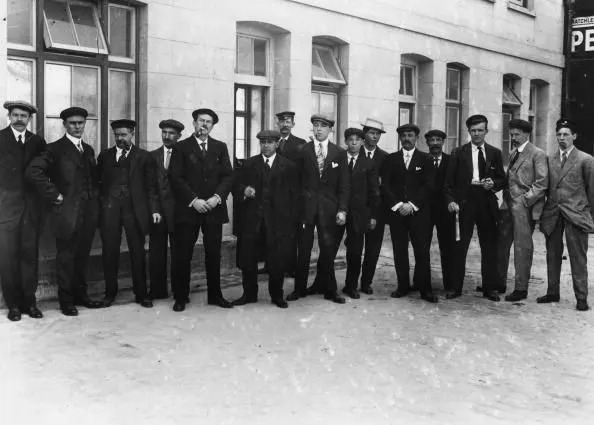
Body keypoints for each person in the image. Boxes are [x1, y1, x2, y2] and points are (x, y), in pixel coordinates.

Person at [26, 107, 103, 316]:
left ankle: (81, 295)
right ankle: (66, 301)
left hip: (88, 214)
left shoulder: (88, 150)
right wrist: (54, 194)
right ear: (65, 125)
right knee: (66, 257)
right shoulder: (55, 149)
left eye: (81, 123)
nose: (77, 127)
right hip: (67, 214)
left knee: (82, 256)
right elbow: (34, 172)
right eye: (73, 123)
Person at [168, 108, 233, 311]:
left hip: (214, 209)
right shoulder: (181, 147)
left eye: (208, 122)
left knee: (213, 254)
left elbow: (228, 176)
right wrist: (193, 200)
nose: (204, 125)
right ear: (194, 123)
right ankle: (181, 297)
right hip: (189, 209)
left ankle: (215, 295)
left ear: (212, 126)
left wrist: (217, 198)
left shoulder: (220, 147)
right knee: (183, 254)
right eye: (200, 121)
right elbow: (175, 177)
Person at [97, 119, 161, 308]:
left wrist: (155, 209)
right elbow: (98, 184)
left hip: (134, 212)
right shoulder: (105, 156)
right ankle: (110, 293)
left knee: (137, 252)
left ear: (132, 134)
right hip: (110, 211)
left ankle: (141, 294)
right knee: (109, 252)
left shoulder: (143, 157)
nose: (120, 138)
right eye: (117, 135)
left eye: (124, 135)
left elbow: (151, 187)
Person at [232, 130, 299, 308]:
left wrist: (290, 223)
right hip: (252, 221)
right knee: (248, 259)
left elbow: (295, 196)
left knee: (276, 260)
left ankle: (277, 295)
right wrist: (244, 190)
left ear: (277, 144)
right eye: (263, 142)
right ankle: (249, 294)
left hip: (278, 223)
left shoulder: (289, 166)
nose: (266, 146)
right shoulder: (249, 164)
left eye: (270, 142)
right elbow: (235, 185)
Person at [287, 113, 350, 304]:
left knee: (328, 249)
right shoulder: (302, 150)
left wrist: (342, 209)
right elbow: (295, 183)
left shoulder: (339, 152)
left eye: (323, 126)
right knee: (304, 249)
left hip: (329, 210)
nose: (318, 129)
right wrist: (296, 208)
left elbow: (344, 185)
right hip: (306, 209)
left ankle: (330, 290)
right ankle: (299, 289)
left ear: (330, 129)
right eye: (315, 125)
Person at [444, 114, 506, 302]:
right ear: (468, 132)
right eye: (473, 130)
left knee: (489, 246)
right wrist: (451, 201)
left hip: (486, 201)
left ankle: (490, 288)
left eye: (480, 130)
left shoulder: (494, 152)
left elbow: (502, 179)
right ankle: (455, 287)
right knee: (459, 245)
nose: (477, 134)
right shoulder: (458, 152)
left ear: (486, 131)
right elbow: (447, 183)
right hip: (465, 202)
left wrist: (493, 184)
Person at [538, 119, 594, 311]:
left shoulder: (586, 160)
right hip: (553, 213)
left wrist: (589, 217)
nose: (562, 138)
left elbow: (592, 191)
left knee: (578, 257)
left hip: (576, 213)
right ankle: (552, 292)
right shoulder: (550, 159)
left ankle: (581, 298)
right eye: (559, 134)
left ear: (574, 136)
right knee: (552, 255)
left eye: (566, 134)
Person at [0, 101, 47, 321]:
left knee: (29, 257)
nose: (20, 119)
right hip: (6, 211)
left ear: (30, 119)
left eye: (24, 116)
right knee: (8, 258)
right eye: (16, 115)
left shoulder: (37, 142)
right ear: (9, 116)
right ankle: (13, 305)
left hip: (30, 211)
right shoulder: (0, 139)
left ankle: (30, 302)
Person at [380, 123, 438, 303]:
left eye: (410, 135)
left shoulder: (426, 159)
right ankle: (402, 286)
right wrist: (398, 205)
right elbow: (385, 186)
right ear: (400, 138)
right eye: (403, 135)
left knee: (422, 252)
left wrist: (412, 205)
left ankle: (425, 289)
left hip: (418, 215)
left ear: (416, 138)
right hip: (398, 214)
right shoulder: (391, 159)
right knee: (400, 251)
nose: (407, 138)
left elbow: (429, 186)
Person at [497, 119, 548, 302]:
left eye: (517, 134)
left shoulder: (537, 154)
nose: (513, 137)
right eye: (511, 134)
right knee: (501, 245)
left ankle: (521, 288)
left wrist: (525, 201)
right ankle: (499, 282)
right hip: (507, 205)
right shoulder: (513, 154)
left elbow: (542, 183)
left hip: (523, 208)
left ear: (527, 134)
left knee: (522, 248)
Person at [336, 128, 379, 299]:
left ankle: (351, 286)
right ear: (345, 141)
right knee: (330, 247)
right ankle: (326, 284)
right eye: (350, 139)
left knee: (355, 251)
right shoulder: (337, 160)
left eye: (357, 140)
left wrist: (373, 215)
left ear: (362, 142)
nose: (354, 143)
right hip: (338, 211)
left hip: (359, 214)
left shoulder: (368, 164)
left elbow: (374, 192)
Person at [149, 119, 184, 300]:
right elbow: (151, 187)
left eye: (171, 133)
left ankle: (179, 292)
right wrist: (154, 209)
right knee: (156, 252)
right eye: (164, 132)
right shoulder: (153, 156)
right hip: (159, 213)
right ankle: (157, 290)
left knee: (179, 253)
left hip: (179, 213)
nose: (167, 136)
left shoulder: (184, 154)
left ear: (179, 136)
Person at [359, 118, 389, 294]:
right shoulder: (354, 153)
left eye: (378, 133)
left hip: (376, 210)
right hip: (357, 209)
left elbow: (385, 186)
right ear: (364, 134)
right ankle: (350, 282)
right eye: (371, 133)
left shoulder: (385, 157)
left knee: (373, 248)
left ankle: (366, 282)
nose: (375, 136)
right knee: (354, 247)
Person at [275, 110, 306, 277]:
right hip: (274, 194)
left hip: (292, 196)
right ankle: (271, 264)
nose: (285, 124)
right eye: (282, 121)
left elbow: (303, 172)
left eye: (288, 122)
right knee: (273, 230)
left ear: (293, 124)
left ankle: (291, 266)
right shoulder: (272, 141)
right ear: (278, 124)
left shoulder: (300, 144)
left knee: (292, 232)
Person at [425, 129, 455, 292]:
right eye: (432, 140)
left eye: (438, 140)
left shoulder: (451, 161)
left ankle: (449, 284)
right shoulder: (422, 160)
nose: (435, 143)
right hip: (425, 211)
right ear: (427, 143)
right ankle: (421, 281)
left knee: (447, 248)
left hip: (445, 212)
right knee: (422, 247)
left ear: (443, 142)